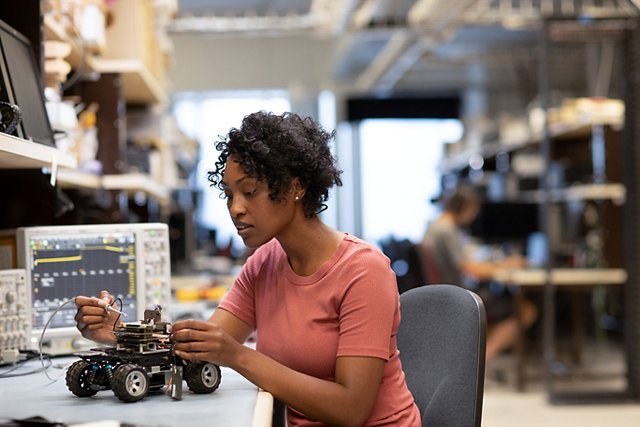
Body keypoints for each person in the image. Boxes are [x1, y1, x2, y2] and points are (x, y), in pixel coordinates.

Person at [74, 111, 421, 427]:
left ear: (296, 186)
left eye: (249, 191)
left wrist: (238, 356)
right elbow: (198, 346)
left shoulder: (364, 271)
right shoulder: (264, 263)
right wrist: (120, 333)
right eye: (228, 194)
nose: (235, 208)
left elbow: (351, 408)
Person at [421, 185, 538, 364]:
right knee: (526, 310)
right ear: (465, 208)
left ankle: (475, 357)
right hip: (458, 296)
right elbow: (471, 270)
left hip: (447, 293)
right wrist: (506, 264)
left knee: (505, 304)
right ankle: (480, 362)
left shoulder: (434, 227)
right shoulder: (446, 231)